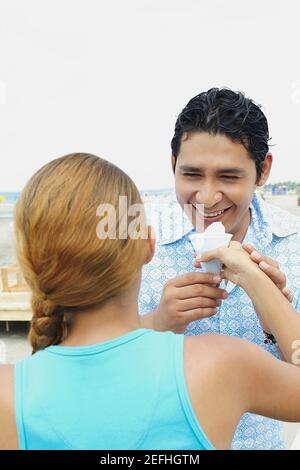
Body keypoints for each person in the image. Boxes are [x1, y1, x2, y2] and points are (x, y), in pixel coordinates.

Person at [1, 153, 300, 451]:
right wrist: (259, 283)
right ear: (148, 244)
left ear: (29, 261)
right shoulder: (223, 365)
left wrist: (158, 322)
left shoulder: (8, 395)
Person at [139, 88, 300, 449]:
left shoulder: (293, 244)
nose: (207, 197)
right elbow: (83, 353)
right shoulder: (135, 236)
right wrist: (158, 322)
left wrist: (270, 309)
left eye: (228, 177)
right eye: (192, 175)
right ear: (172, 166)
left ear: (263, 171)